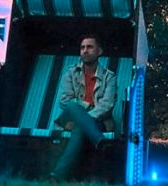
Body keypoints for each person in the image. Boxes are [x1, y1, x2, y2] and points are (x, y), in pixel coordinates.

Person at [49, 35, 117, 182]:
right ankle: (100, 141)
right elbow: (64, 100)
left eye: (90, 47)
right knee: (72, 105)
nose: (85, 50)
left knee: (79, 129)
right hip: (69, 117)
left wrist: (83, 120)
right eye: (82, 47)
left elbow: (107, 104)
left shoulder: (109, 77)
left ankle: (57, 176)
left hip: (98, 120)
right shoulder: (70, 73)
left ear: (99, 51)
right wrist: (86, 111)